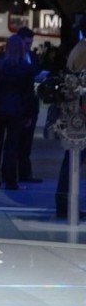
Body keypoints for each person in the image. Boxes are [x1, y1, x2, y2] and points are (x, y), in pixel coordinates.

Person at [0, 35, 37, 190]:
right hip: (17, 110)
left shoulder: (0, 65)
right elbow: (29, 93)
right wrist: (29, 115)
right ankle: (10, 181)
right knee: (12, 146)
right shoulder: (26, 68)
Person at [55, 37, 86, 218]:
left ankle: (65, 205)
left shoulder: (78, 48)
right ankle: (67, 206)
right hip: (80, 119)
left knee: (71, 161)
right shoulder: (83, 50)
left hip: (75, 117)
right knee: (73, 162)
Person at [16, 27, 44, 183]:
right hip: (20, 105)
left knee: (27, 142)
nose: (29, 46)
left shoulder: (32, 56)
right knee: (17, 140)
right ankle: (17, 173)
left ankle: (25, 173)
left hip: (32, 104)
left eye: (31, 43)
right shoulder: (14, 58)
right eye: (27, 43)